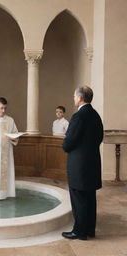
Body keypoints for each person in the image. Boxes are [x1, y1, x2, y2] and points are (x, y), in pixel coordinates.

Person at [62, 86, 103, 240]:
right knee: (90, 198)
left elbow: (69, 141)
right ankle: (89, 230)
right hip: (92, 163)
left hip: (79, 166)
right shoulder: (95, 115)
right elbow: (99, 138)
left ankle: (79, 232)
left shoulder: (78, 116)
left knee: (78, 199)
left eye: (74, 96)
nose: (74, 99)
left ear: (80, 98)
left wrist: (66, 145)